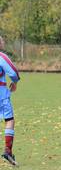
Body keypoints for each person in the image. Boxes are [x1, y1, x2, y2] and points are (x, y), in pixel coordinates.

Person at [0, 36, 20, 166]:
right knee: (9, 120)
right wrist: (15, 81)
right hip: (1, 94)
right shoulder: (1, 56)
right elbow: (13, 72)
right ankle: (8, 151)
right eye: (2, 40)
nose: (3, 42)